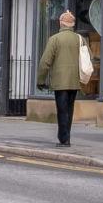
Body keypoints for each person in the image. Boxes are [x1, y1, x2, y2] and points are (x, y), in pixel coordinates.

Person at [36, 10, 85, 146]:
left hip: (60, 81)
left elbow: (45, 62)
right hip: (74, 80)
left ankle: (64, 139)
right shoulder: (80, 39)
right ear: (72, 24)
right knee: (69, 109)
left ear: (61, 23)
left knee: (62, 110)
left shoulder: (55, 39)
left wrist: (40, 80)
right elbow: (88, 57)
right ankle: (66, 136)